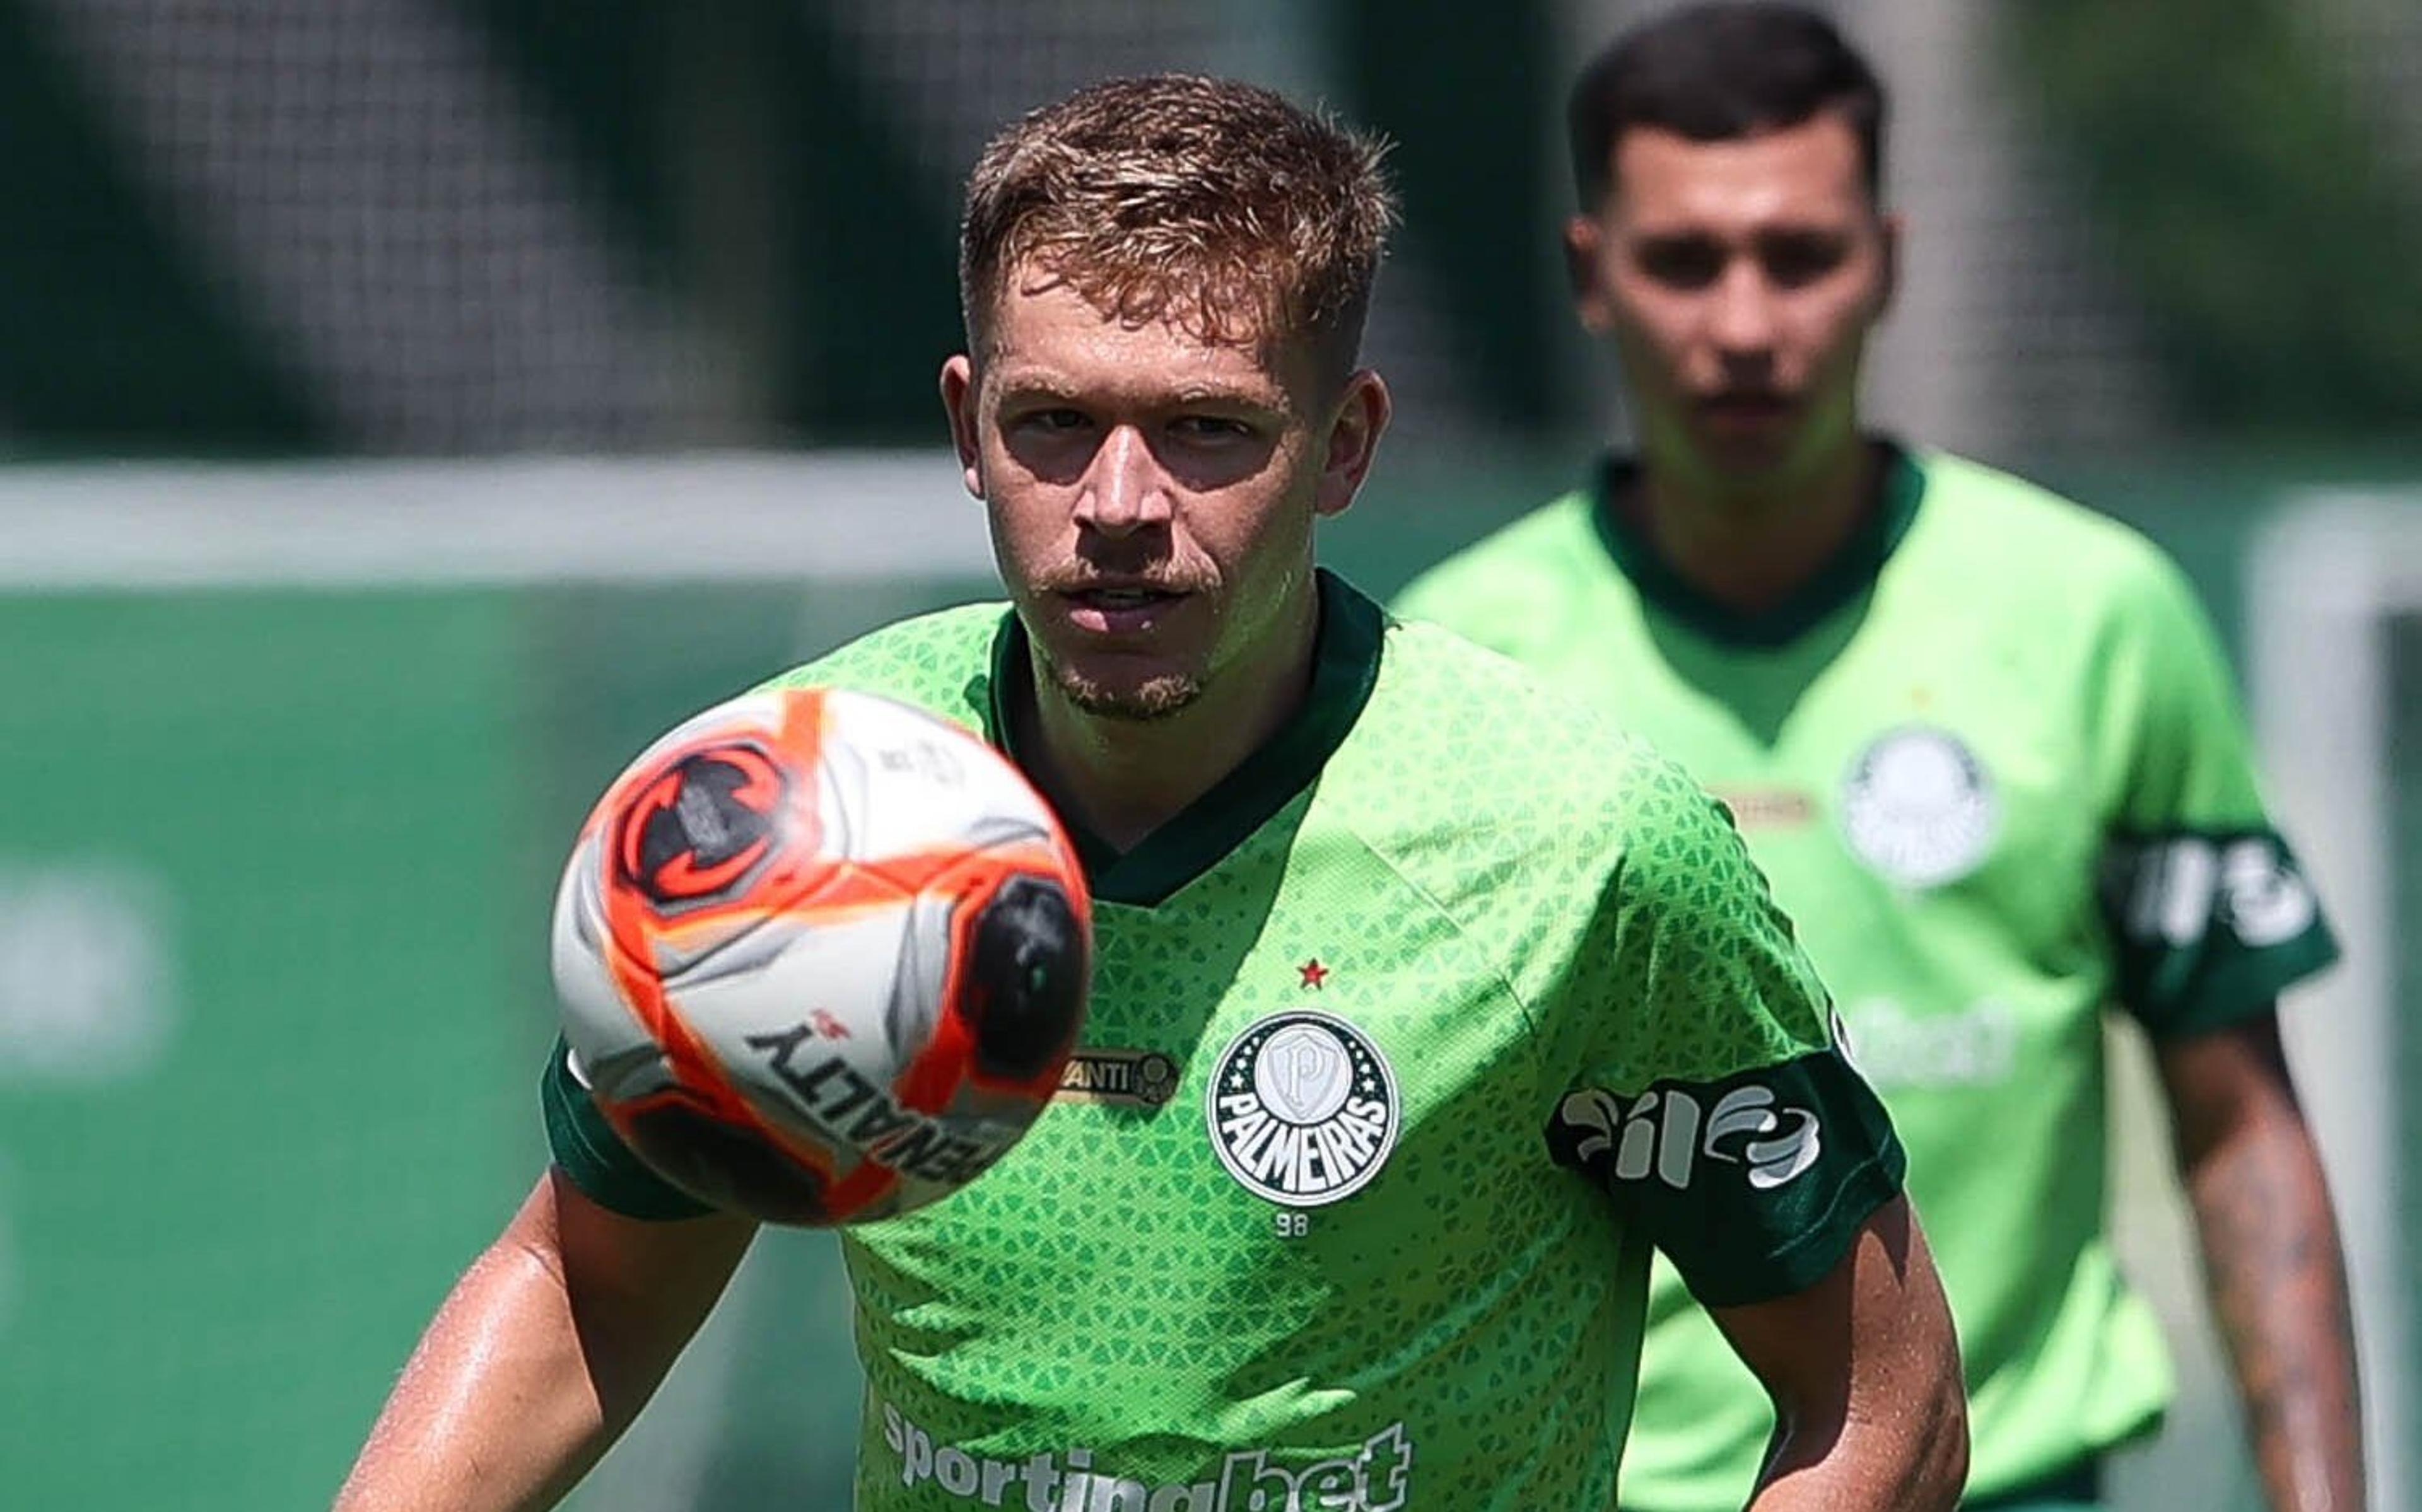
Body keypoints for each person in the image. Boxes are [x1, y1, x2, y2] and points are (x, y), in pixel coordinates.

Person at [334, 74, 1965, 1511]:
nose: (1119, 502)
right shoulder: (790, 807)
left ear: (1344, 447)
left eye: (1205, 430)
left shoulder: (1578, 848)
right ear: (969, 426)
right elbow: (585, 1277)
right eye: (1056, 422)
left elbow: (1883, 1402)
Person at [1395, 8, 2365, 1511]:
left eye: (1800, 255)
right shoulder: (1460, 664)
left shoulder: (2094, 616)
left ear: (1888, 263)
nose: (1743, 321)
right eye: (1683, 260)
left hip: (2014, 1479)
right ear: (1593, 275)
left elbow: (2240, 1120)